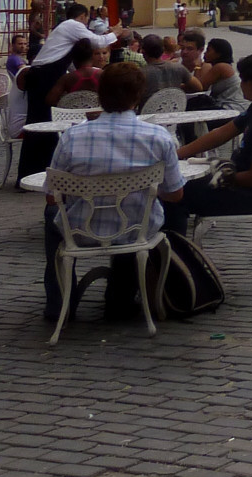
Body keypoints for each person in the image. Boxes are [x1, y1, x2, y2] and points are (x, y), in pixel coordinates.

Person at [42, 61, 185, 326]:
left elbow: (52, 196)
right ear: (138, 96)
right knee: (142, 212)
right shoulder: (159, 137)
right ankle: (124, 297)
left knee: (51, 213)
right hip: (135, 229)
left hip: (80, 231)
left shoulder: (72, 137)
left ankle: (59, 304)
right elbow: (175, 195)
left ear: (101, 95)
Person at [170, 52, 252, 239]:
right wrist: (177, 154)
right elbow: (222, 133)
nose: (240, 84)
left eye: (243, 79)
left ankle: (175, 252)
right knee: (179, 188)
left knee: (174, 195)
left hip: (251, 196)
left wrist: (221, 175)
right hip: (237, 182)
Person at [139, 35, 192, 99]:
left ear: (143, 52)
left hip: (147, 108)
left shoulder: (140, 74)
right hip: (174, 107)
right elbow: (198, 87)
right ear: (163, 50)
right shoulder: (179, 68)